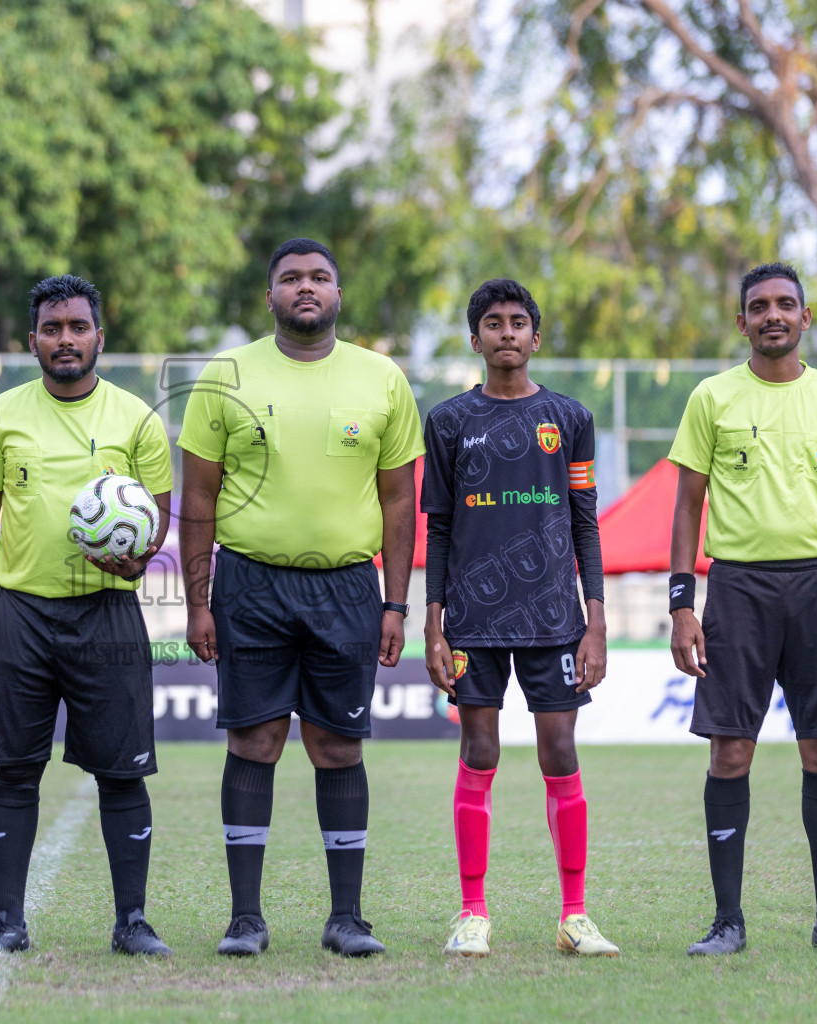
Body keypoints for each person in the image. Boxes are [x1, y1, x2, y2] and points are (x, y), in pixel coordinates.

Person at [179, 238, 423, 958]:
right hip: (250, 580)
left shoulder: (381, 379)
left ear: (338, 294)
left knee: (337, 746)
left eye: (319, 277)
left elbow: (400, 501)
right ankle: (245, 918)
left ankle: (346, 917)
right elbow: (197, 495)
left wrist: (395, 602)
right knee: (254, 739)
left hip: (348, 584)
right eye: (291, 278)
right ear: (270, 296)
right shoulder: (226, 374)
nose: (305, 287)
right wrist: (198, 603)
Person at [668, 262, 817, 956]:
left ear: (805, 317)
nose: (773, 315)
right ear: (742, 322)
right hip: (738, 589)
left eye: (785, 304)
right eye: (759, 306)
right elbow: (686, 503)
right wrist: (682, 601)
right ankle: (726, 922)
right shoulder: (713, 398)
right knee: (731, 751)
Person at [0, 274, 174, 956]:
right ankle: (6, 922)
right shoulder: (2, 416)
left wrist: (141, 559)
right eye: (52, 329)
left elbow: (157, 514)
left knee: (122, 771)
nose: (65, 339)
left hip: (108, 612)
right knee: (14, 769)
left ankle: (132, 922)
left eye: (77, 327)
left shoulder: (135, 418)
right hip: (20, 611)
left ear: (99, 337)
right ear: (33, 342)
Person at [422, 279, 617, 958]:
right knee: (479, 752)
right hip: (474, 620)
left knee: (559, 753)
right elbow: (439, 527)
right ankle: (472, 912)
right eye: (492, 324)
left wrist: (595, 620)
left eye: (518, 322)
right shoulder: (448, 421)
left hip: (555, 620)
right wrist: (433, 620)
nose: (506, 332)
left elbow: (585, 525)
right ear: (475, 341)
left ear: (536, 337)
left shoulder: (570, 418)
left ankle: (574, 915)